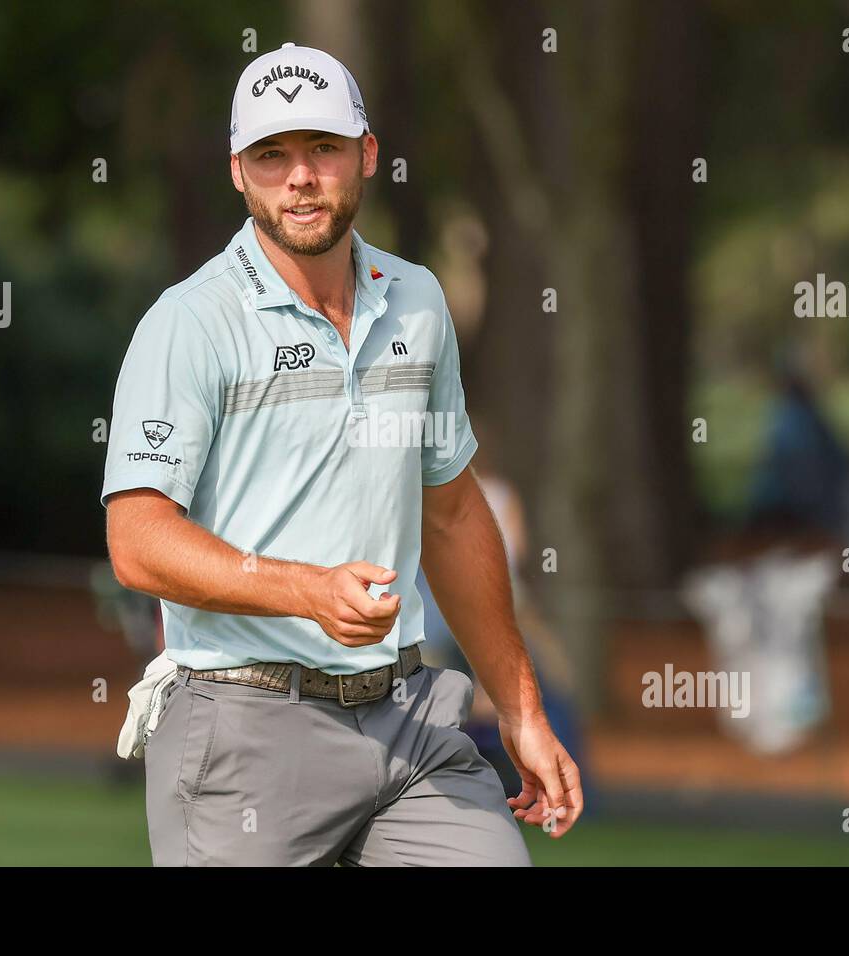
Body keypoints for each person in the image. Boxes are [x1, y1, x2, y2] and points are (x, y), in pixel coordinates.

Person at [101, 43, 582, 866]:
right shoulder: (189, 323)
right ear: (239, 173)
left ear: (365, 154)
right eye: (271, 155)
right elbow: (137, 540)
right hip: (240, 725)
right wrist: (304, 590)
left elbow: (453, 511)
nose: (299, 177)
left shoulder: (419, 302)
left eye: (322, 148)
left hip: (409, 718)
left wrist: (521, 706)